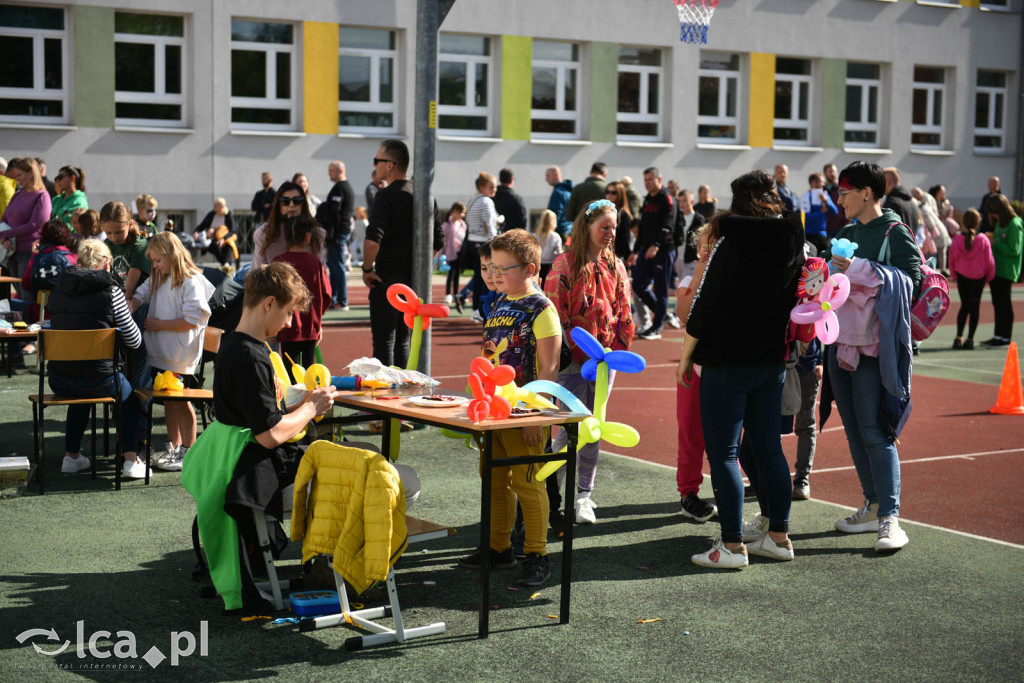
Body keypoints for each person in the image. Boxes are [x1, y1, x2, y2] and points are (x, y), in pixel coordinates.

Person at [680, 169, 804, 569]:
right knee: (769, 447)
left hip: (727, 358)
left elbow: (704, 304)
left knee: (725, 454)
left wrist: (686, 356)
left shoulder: (732, 242)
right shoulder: (792, 238)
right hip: (772, 358)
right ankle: (779, 537)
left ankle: (731, 546)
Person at [194, 261, 335, 609]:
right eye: (287, 313)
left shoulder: (233, 344)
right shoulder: (251, 355)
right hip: (252, 466)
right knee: (349, 466)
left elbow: (260, 419)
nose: (289, 324)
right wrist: (311, 408)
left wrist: (294, 409)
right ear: (268, 303)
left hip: (231, 459)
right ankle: (333, 568)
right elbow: (268, 435)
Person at [826, 160, 921, 553]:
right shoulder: (845, 232)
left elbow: (912, 282)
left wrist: (862, 269)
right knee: (851, 428)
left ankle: (890, 518)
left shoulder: (896, 232)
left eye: (844, 192)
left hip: (873, 348)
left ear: (867, 192)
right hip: (838, 343)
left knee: (875, 430)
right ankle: (872, 504)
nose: (839, 199)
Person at [458, 229, 561, 588]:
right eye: (492, 267)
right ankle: (497, 547)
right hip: (495, 412)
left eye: (504, 267)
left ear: (530, 268)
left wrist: (537, 413)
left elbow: (549, 369)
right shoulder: (500, 303)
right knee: (495, 479)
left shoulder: (541, 309)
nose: (496, 274)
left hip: (526, 414)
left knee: (527, 482)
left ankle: (536, 554)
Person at [544, 199, 634, 523]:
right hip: (573, 362)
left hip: (604, 363)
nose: (610, 233)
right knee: (570, 429)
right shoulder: (565, 264)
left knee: (593, 430)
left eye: (613, 228)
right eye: (604, 227)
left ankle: (584, 497)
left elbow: (625, 308)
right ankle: (547, 492)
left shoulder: (616, 266)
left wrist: (614, 351)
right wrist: (575, 348)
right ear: (587, 227)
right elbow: (555, 309)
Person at [48, 238, 146, 480]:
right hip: (102, 379)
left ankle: (71, 456)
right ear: (107, 264)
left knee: (80, 393)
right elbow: (134, 340)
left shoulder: (58, 288)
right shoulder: (111, 291)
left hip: (59, 379)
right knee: (129, 397)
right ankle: (131, 461)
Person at [128, 232, 215, 471]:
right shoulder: (160, 275)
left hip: (180, 353)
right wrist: (133, 302)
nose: (154, 265)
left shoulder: (190, 279)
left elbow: (193, 320)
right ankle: (175, 448)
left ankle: (189, 450)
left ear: (171, 256)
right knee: (168, 400)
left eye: (157, 260)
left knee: (182, 399)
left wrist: (158, 324)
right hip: (163, 351)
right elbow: (143, 292)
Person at [362, 139, 444, 368]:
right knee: (404, 342)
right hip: (414, 283)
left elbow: (372, 241)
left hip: (387, 281)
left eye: (377, 160)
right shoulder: (425, 194)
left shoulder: (385, 196)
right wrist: (419, 268)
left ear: (390, 165)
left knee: (384, 344)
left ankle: (384, 398)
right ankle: (402, 396)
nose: (375, 164)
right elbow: (438, 240)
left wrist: (367, 269)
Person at [272, 214, 331, 369]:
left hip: (285, 327)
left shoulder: (278, 262)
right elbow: (326, 294)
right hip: (310, 326)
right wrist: (317, 316)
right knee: (308, 373)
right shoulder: (315, 263)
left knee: (290, 373)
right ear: (307, 237)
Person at [628, 166, 677, 340]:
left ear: (659, 179)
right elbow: (642, 228)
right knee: (638, 284)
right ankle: (661, 313)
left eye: (650, 179)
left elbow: (668, 226)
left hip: (662, 251)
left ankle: (656, 327)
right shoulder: (648, 199)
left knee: (661, 290)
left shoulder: (667, 199)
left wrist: (656, 245)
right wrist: (635, 251)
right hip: (645, 250)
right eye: (645, 180)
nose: (647, 183)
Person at [1, 157, 52, 292]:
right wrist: (4, 239)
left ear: (31, 173)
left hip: (29, 251)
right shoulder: (18, 195)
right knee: (19, 291)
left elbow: (35, 225)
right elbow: (5, 217)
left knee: (27, 292)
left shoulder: (42, 196)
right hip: (12, 250)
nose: (17, 179)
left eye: (20, 175)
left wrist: (5, 234)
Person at [949, 209, 995, 350]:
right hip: (978, 278)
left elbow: (951, 259)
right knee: (974, 308)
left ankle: (958, 337)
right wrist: (989, 276)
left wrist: (954, 274)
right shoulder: (983, 240)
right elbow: (989, 261)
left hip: (962, 277)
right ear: (978, 222)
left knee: (964, 307)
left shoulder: (957, 239)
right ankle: (970, 339)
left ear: (963, 222)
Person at [251, 182, 327, 268]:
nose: (291, 205)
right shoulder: (264, 233)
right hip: (272, 280)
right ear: (278, 205)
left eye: (297, 201)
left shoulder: (317, 233)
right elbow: (258, 271)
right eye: (285, 201)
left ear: (303, 204)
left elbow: (320, 269)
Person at [982, 194, 1022, 347]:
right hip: (996, 270)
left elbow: (1014, 249)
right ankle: (998, 335)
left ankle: (1006, 337)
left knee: (1004, 303)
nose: (993, 216)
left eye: (995, 212)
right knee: (997, 303)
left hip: (1006, 270)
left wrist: (995, 243)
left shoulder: (1014, 224)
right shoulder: (1000, 223)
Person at [20, 218, 77, 323]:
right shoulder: (72, 258)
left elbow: (26, 285)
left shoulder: (36, 259)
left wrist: (34, 255)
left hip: (39, 314)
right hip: (68, 314)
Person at [461, 172, 500, 321]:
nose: (494, 189)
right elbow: (489, 224)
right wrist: (494, 242)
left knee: (478, 277)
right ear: (482, 186)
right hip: (484, 243)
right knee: (487, 277)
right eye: (491, 186)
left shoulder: (472, 200)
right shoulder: (486, 202)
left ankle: (476, 309)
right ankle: (483, 309)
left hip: (472, 241)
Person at [317, 161, 354, 310]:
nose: (329, 173)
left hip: (338, 233)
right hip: (338, 233)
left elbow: (334, 210)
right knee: (334, 265)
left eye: (331, 171)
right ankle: (333, 298)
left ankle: (341, 300)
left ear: (339, 171)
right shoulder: (343, 187)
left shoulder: (341, 188)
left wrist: (324, 210)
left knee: (338, 266)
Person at [100, 201, 149, 300]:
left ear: (130, 224)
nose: (114, 237)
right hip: (120, 299)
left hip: (140, 300)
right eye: (108, 232)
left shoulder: (139, 245)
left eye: (119, 232)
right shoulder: (107, 244)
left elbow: (129, 290)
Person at [913, 186, 951, 274]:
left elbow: (929, 221)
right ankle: (941, 269)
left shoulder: (923, 208)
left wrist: (932, 228)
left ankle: (931, 271)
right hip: (937, 229)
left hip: (933, 232)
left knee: (932, 252)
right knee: (940, 251)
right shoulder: (927, 205)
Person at [800, 172, 838, 255]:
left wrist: (827, 201)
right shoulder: (806, 197)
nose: (823, 184)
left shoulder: (825, 195)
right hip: (809, 235)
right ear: (813, 183)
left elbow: (835, 211)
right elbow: (804, 218)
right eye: (821, 181)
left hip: (822, 235)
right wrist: (820, 212)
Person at [195, 198, 238, 268]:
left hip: (225, 238)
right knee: (215, 245)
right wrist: (196, 232)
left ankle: (227, 264)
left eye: (216, 205)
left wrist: (223, 239)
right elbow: (202, 225)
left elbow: (232, 230)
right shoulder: (211, 214)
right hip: (213, 238)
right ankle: (225, 264)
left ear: (222, 206)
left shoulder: (228, 215)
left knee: (228, 246)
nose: (214, 207)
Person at [675, 188, 706, 284]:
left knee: (687, 287)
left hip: (691, 260)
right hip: (678, 259)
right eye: (680, 201)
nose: (682, 204)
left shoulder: (698, 219)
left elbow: (701, 239)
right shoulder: (677, 217)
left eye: (684, 201)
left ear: (692, 201)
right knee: (681, 286)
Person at [441, 202, 467, 307]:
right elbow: (443, 240)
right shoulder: (447, 225)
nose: (463, 215)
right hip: (450, 253)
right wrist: (441, 254)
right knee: (450, 274)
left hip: (460, 253)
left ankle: (456, 293)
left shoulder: (462, 224)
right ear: (455, 212)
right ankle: (448, 294)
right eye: (462, 213)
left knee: (457, 274)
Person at [493, 167, 528, 233]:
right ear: (512, 180)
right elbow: (522, 220)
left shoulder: (492, 197)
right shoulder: (516, 198)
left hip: (495, 236)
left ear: (500, 180)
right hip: (512, 237)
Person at [606, 181, 635, 262]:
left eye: (613, 193)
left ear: (620, 194)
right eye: (607, 192)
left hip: (618, 257)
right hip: (607, 254)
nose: (609, 195)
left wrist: (625, 258)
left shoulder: (623, 214)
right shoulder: (606, 210)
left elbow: (626, 239)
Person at [533, 209, 563, 285]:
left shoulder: (535, 235)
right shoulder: (555, 236)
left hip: (538, 265)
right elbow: (559, 253)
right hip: (551, 266)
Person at [545, 166, 574, 238]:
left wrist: (546, 231)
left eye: (548, 175)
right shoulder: (568, 191)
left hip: (560, 232)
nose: (546, 179)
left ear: (556, 174)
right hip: (569, 231)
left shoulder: (558, 192)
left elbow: (554, 214)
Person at [823, 163, 847, 238]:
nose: (832, 173)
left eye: (834, 171)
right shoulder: (820, 190)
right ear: (825, 173)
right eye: (830, 171)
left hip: (840, 228)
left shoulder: (842, 189)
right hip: (824, 229)